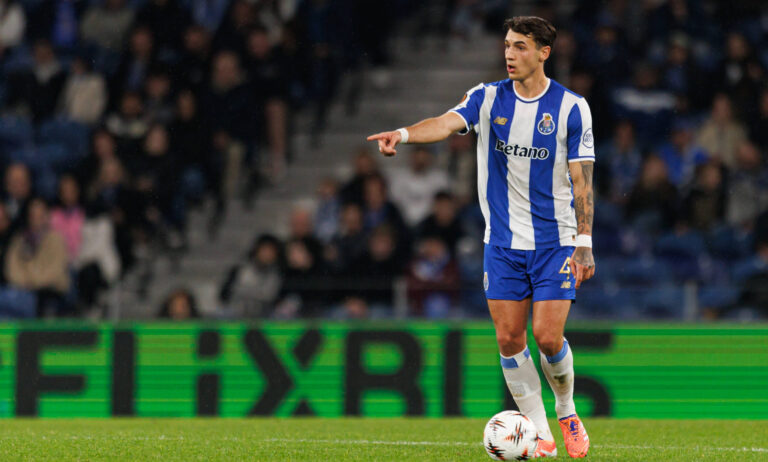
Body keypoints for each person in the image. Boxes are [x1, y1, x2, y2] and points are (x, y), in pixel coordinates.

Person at [367, 16, 593, 458]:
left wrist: (584, 242)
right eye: (507, 45)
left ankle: (566, 411)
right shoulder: (487, 97)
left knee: (548, 338)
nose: (510, 54)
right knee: (509, 339)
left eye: (520, 46)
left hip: (556, 242)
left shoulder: (571, 108)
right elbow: (445, 123)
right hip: (503, 244)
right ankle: (540, 432)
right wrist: (404, 134)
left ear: (543, 53)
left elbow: (582, 180)